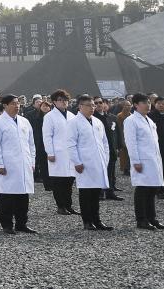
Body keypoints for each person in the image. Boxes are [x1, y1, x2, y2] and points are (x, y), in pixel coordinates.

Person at [0, 94, 37, 235]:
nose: (17, 105)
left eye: (18, 103)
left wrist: (32, 160)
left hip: (24, 163)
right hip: (8, 164)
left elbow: (31, 143)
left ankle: (22, 223)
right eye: (13, 103)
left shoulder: (24, 121)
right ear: (5, 105)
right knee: (8, 196)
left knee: (23, 196)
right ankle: (7, 224)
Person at [66, 95, 112, 230]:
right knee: (86, 193)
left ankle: (97, 220)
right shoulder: (74, 122)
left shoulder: (97, 121)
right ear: (80, 107)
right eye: (88, 105)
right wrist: (76, 161)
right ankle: (87, 221)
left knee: (96, 193)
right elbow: (70, 144)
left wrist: (106, 159)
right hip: (84, 163)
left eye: (93, 105)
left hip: (98, 162)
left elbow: (105, 142)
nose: (92, 108)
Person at [123, 93, 164, 231]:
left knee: (152, 189)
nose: (148, 104)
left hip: (153, 159)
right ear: (136, 105)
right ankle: (141, 219)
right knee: (143, 189)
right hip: (142, 159)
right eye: (144, 102)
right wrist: (135, 161)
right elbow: (130, 142)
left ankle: (152, 218)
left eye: (149, 102)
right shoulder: (131, 120)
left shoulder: (149, 120)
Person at [42, 89, 78, 216]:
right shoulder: (49, 117)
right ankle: (60, 206)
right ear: (54, 102)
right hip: (57, 153)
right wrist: (50, 152)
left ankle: (69, 205)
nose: (63, 102)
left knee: (69, 180)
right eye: (60, 100)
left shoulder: (72, 116)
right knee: (58, 181)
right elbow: (47, 136)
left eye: (65, 100)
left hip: (70, 152)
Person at [93, 97, 122, 200]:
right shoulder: (92, 118)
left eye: (100, 102)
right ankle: (99, 192)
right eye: (95, 103)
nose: (99, 104)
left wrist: (119, 146)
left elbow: (117, 132)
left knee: (111, 170)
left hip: (111, 148)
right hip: (99, 149)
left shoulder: (111, 117)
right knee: (100, 170)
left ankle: (110, 191)